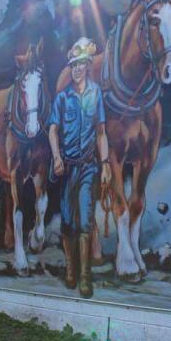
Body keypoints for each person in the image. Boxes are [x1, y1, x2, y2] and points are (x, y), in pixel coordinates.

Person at [48, 37, 111, 298]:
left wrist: (105, 163)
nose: (76, 69)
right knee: (67, 222)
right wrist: (56, 157)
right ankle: (70, 268)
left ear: (87, 66)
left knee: (85, 221)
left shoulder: (96, 94)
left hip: (88, 168)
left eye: (80, 64)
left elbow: (101, 132)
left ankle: (85, 277)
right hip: (67, 170)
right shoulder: (63, 98)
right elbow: (53, 131)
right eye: (73, 65)